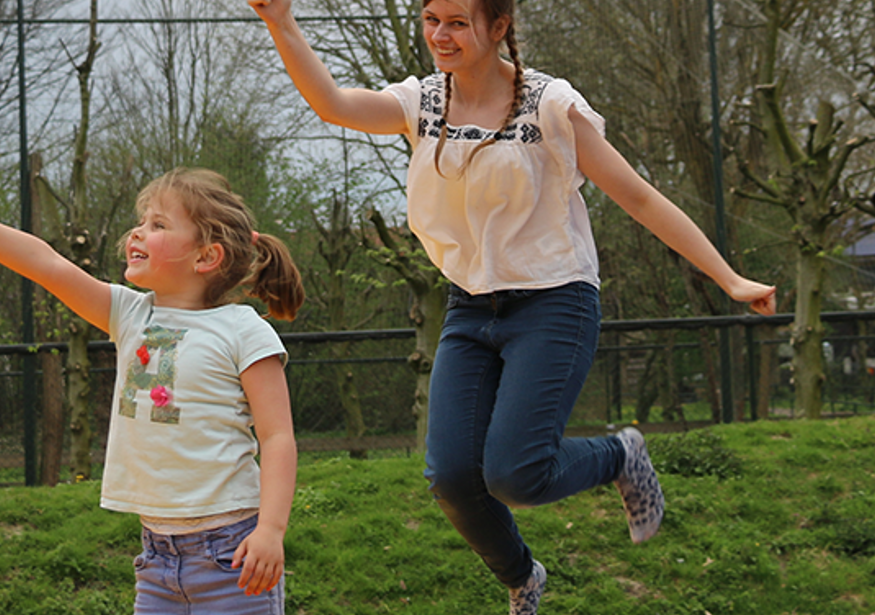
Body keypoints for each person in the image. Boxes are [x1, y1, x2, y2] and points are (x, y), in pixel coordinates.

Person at [248, 1, 778, 612]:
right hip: (469, 307)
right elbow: (333, 104)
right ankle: (523, 576)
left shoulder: (550, 106)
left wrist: (729, 277)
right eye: (431, 20)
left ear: (498, 27)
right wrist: (280, 21)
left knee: (516, 475)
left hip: (555, 301)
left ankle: (621, 453)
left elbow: (639, 197)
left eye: (457, 22)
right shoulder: (420, 101)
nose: (440, 36)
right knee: (451, 477)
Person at [0, 167, 303, 614]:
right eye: (142, 220)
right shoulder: (129, 314)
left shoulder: (241, 329)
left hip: (232, 554)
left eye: (159, 225)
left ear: (206, 257)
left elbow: (277, 436)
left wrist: (271, 530)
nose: (138, 232)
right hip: (158, 559)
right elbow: (46, 263)